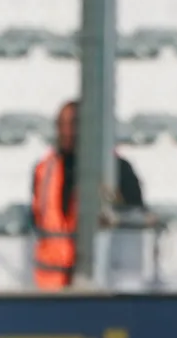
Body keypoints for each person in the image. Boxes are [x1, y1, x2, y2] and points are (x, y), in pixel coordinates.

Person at [31, 100, 144, 290]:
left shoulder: (116, 170)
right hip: (51, 289)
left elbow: (132, 224)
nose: (66, 131)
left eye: (73, 124)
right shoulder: (44, 170)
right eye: (61, 125)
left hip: (101, 287)